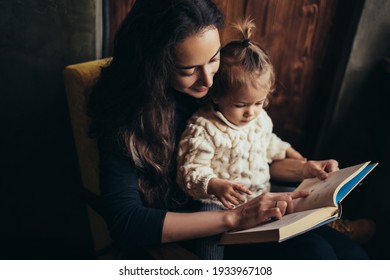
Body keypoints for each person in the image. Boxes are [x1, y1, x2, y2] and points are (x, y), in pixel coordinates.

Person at [87, 0, 368, 260]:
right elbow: (125, 221)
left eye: (213, 58)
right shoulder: (127, 118)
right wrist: (235, 218)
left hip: (254, 208)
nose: (209, 81)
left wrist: (306, 168)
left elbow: (251, 154)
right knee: (317, 254)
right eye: (189, 70)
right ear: (154, 65)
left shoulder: (225, 90)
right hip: (203, 227)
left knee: (353, 256)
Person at [176, 18, 305, 211]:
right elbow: (190, 172)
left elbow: (268, 142)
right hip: (220, 204)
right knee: (207, 238)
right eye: (240, 105)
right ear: (217, 96)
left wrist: (289, 153)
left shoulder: (260, 120)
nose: (250, 112)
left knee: (298, 200)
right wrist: (213, 185)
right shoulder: (204, 128)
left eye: (259, 103)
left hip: (260, 195)